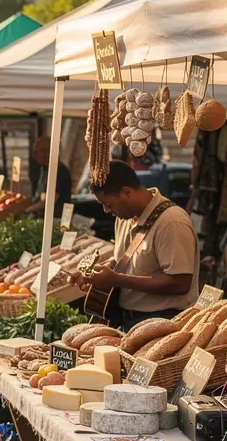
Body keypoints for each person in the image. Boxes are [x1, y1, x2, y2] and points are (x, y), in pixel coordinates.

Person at [76, 160, 198, 329]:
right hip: (128, 320)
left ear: (126, 192)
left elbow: (180, 283)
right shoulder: (123, 218)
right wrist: (94, 273)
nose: (106, 211)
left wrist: (117, 279)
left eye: (108, 204)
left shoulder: (172, 222)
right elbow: (123, 261)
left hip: (165, 323)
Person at [31, 136, 73, 211]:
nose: (34, 156)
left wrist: (29, 209)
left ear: (47, 152)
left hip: (55, 216)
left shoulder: (59, 171)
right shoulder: (43, 169)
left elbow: (53, 198)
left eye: (37, 152)